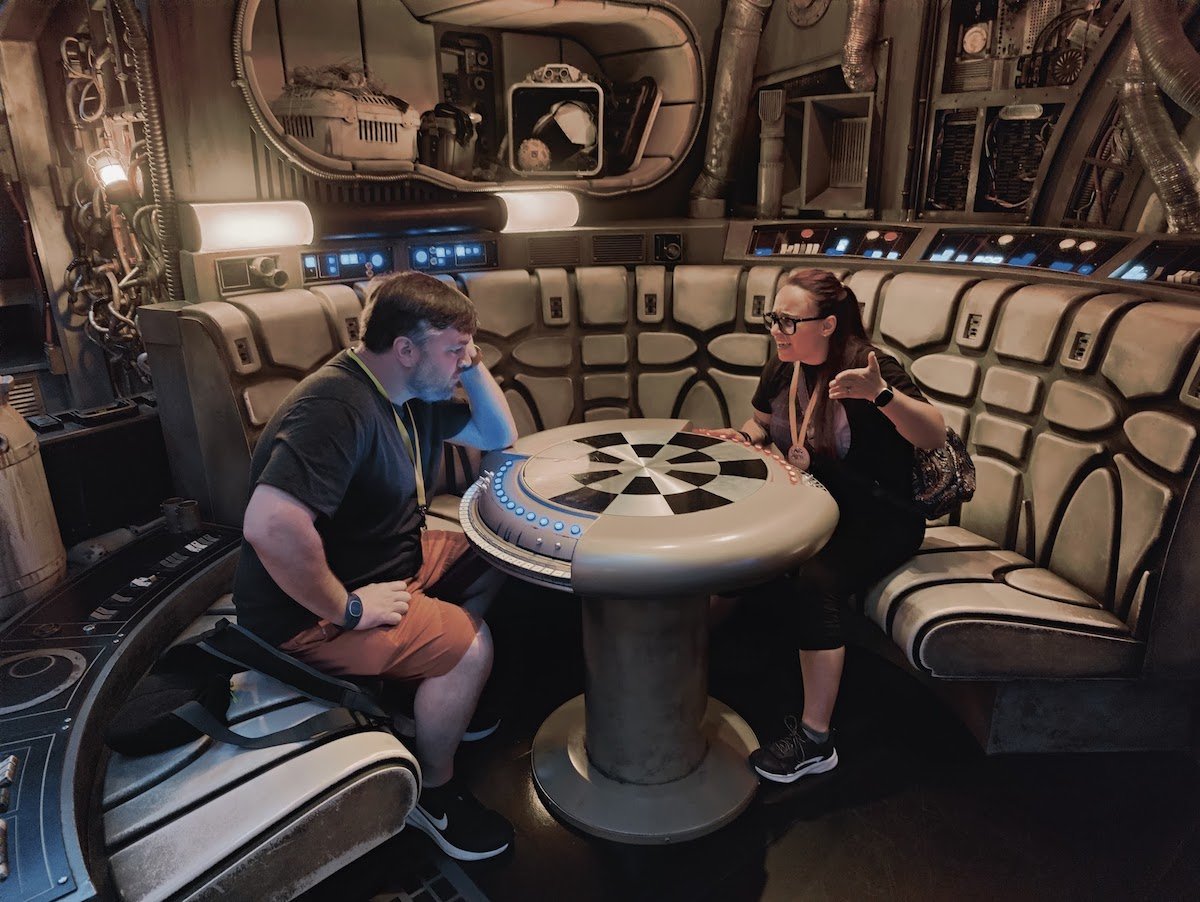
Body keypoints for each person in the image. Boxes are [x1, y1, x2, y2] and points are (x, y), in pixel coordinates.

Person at [231, 270, 519, 860]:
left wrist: (466, 360)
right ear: (405, 349)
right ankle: (431, 792)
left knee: (500, 552)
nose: (463, 361)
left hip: (394, 562)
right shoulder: (336, 406)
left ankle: (425, 695)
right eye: (453, 350)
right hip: (307, 614)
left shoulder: (412, 392)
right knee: (474, 647)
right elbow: (269, 525)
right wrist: (349, 608)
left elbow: (497, 431)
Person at [702, 268, 945, 784]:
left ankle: (816, 741)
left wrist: (882, 396)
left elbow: (932, 434)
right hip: (812, 507)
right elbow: (765, 425)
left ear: (829, 325)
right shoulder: (784, 365)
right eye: (774, 318)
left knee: (817, 582)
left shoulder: (865, 368)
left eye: (789, 321)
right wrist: (742, 438)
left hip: (880, 518)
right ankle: (688, 654)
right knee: (740, 550)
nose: (777, 329)